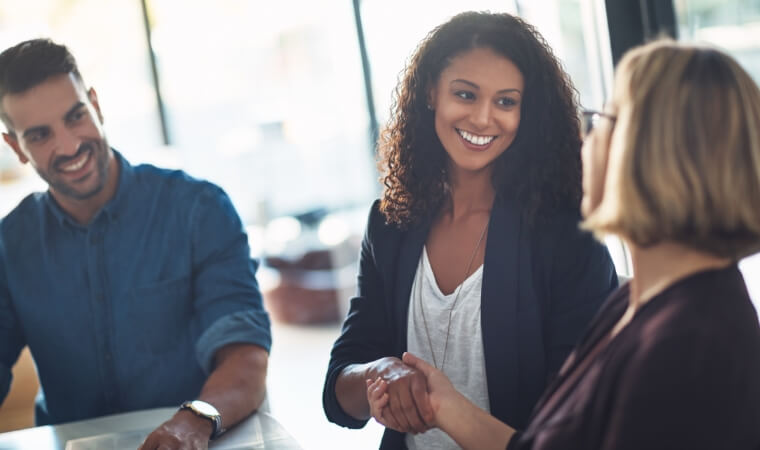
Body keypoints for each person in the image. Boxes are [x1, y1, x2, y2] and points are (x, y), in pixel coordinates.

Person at [370, 39, 760, 449]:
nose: (582, 142)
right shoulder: (638, 305)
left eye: (600, 122)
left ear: (652, 155)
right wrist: (443, 406)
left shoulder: (692, 341)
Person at [323, 11, 618, 449]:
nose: (482, 118)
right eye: (465, 94)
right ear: (430, 94)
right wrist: (377, 374)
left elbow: (582, 426)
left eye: (505, 101)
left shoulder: (566, 237)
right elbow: (338, 389)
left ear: (527, 111)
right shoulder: (389, 223)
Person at [0, 39, 271, 449]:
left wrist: (192, 421)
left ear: (96, 104)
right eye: (40, 135)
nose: (70, 145)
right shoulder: (9, 245)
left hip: (199, 439)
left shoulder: (199, 210)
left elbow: (245, 358)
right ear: (16, 147)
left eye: (76, 116)